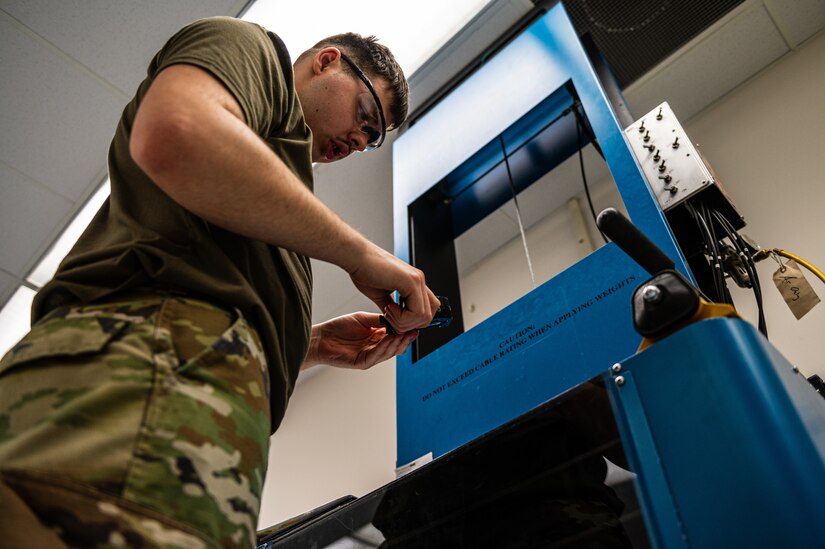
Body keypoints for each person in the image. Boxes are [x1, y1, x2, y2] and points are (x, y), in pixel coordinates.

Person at [0, 16, 439, 548]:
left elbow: (216, 296)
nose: (357, 139)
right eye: (364, 115)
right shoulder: (253, 48)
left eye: (372, 139)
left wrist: (316, 344)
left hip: (178, 425)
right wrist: (362, 256)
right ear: (328, 61)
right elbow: (177, 131)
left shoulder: (270, 197)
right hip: (135, 393)